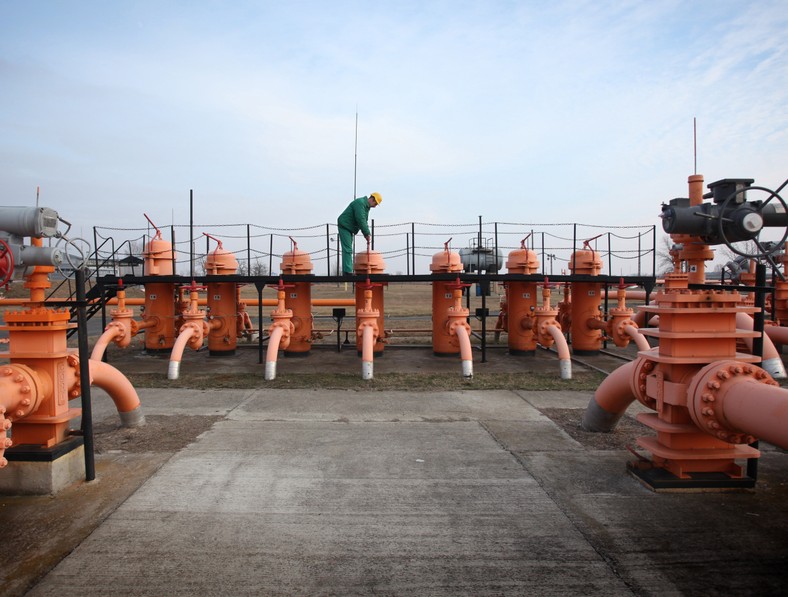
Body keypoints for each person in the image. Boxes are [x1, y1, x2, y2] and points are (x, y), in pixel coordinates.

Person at [336, 192, 382, 275]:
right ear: (372, 199)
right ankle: (347, 272)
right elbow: (360, 219)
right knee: (348, 249)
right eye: (375, 203)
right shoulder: (360, 204)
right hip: (345, 225)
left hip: (350, 227)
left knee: (348, 249)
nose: (375, 206)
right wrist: (367, 233)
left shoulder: (365, 207)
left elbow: (364, 220)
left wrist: (367, 233)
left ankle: (347, 270)